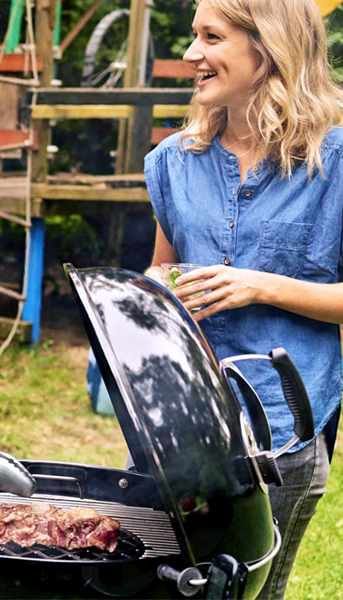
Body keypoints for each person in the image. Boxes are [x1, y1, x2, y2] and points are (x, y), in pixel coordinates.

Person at [143, 1, 343, 597]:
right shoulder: (174, 163)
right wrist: (154, 288)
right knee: (156, 586)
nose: (190, 53)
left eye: (211, 37)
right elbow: (163, 267)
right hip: (176, 426)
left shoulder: (334, 160)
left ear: (269, 47)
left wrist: (261, 285)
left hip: (281, 435)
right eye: (192, 36)